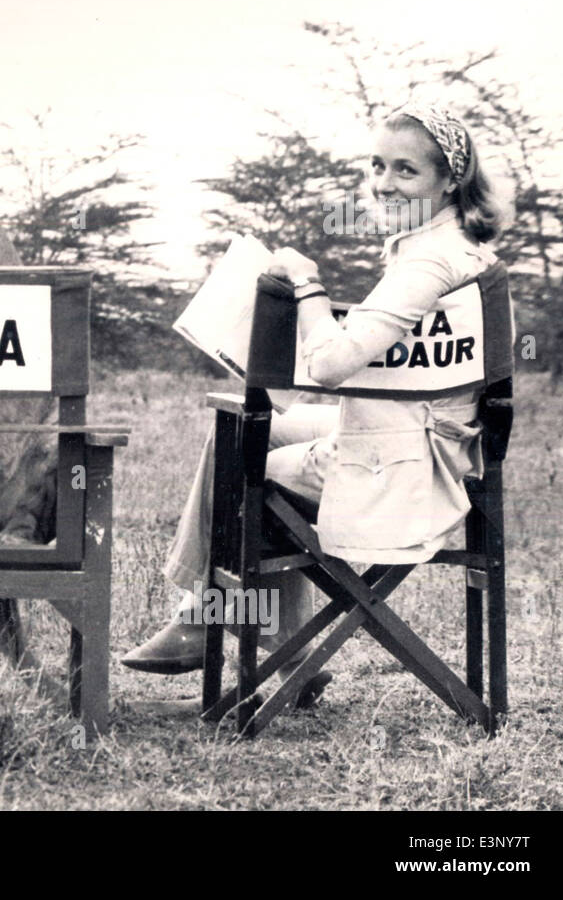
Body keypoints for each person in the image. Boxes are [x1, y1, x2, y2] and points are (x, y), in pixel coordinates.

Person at [121, 103, 503, 704]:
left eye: (406, 171)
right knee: (242, 431)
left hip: (407, 461)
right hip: (420, 430)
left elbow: (329, 365)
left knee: (238, 468)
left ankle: (235, 631)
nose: (383, 183)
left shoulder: (428, 259)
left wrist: (307, 282)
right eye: (377, 165)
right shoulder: (448, 244)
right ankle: (263, 639)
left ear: (449, 179)